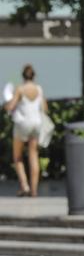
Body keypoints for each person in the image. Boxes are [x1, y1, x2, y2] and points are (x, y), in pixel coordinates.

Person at [3, 65, 48, 198]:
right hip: (36, 123)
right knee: (34, 155)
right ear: (33, 76)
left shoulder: (20, 89)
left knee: (17, 157)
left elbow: (10, 106)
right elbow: (44, 108)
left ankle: (25, 186)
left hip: (23, 123)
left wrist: (7, 104)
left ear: (23, 76)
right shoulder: (38, 89)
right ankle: (34, 190)